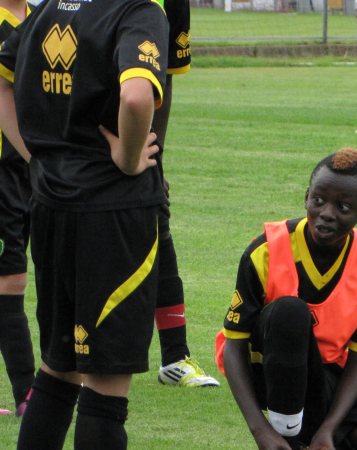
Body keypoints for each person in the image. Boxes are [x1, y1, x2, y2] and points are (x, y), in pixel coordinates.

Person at [0, 0, 168, 445]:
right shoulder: (138, 11)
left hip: (51, 209)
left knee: (58, 369)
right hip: (112, 216)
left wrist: (39, 158)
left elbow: (1, 80)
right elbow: (135, 95)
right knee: (105, 384)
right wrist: (129, 160)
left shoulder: (50, 8)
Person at [217, 148, 357, 450]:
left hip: (327, 378)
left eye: (343, 207)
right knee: (290, 312)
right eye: (319, 200)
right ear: (307, 196)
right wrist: (262, 431)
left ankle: (318, 432)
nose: (326, 213)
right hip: (267, 376)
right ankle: (289, 434)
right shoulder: (265, 251)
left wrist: (329, 429)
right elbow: (233, 348)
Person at [152, 0, 219, 388]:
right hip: (72, 139)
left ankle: (175, 358)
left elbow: (166, 78)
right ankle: (74, 359)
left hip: (136, 136)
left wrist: (152, 157)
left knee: (158, 230)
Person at [0, 0, 34, 418]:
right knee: (11, 279)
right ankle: (27, 393)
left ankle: (29, 392)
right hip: (4, 169)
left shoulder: (44, 17)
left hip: (35, 166)